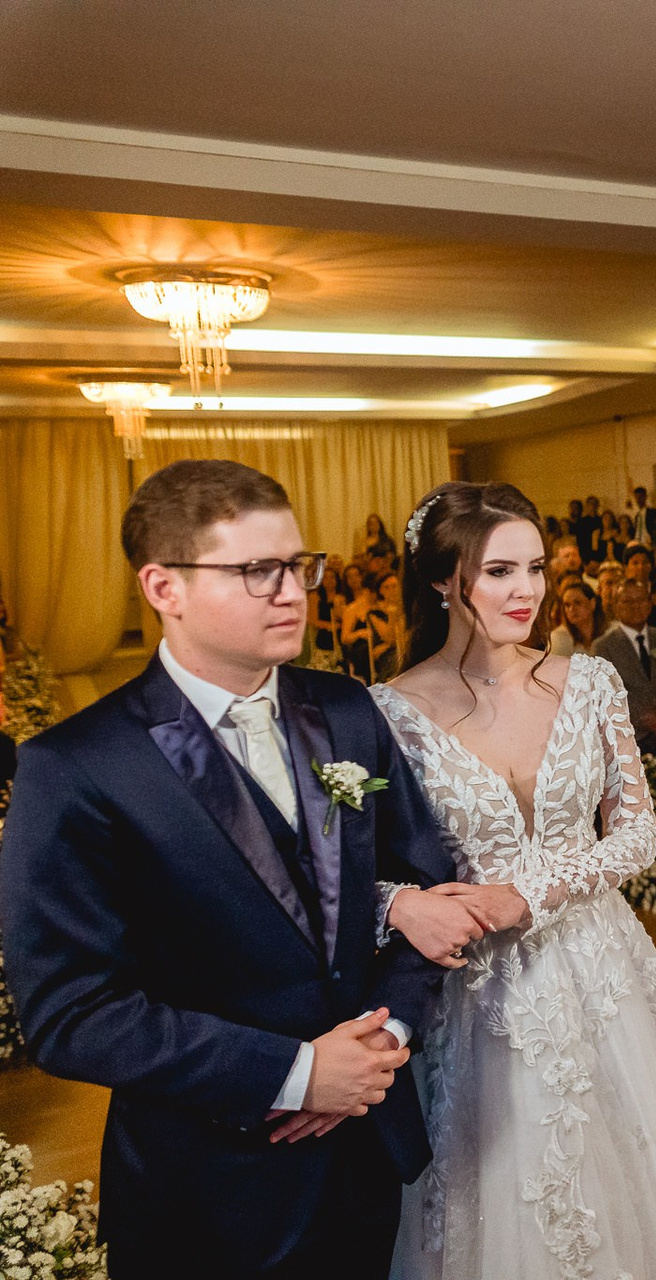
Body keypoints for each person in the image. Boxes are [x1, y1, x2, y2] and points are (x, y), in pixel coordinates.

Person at [0, 459, 452, 1278]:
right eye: (255, 571)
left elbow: (426, 888)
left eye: (298, 565)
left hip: (366, 1155)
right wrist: (296, 1074)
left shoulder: (347, 709)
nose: (292, 592)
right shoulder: (76, 766)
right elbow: (72, 1012)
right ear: (163, 587)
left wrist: (385, 1037)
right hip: (207, 1188)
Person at [370, 481, 656, 1279]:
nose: (527, 591)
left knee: (639, 1180)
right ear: (441, 580)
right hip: (478, 997)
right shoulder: (387, 713)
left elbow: (638, 833)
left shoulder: (589, 681)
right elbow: (353, 878)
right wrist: (403, 905)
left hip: (602, 969)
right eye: (499, 571)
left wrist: (531, 892)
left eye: (536, 568)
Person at [592, 579, 656, 754]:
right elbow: (605, 695)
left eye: (641, 600)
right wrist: (641, 718)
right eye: (627, 601)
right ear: (615, 606)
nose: (635, 606)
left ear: (650, 604)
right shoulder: (603, 647)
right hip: (628, 740)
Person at [547, 580, 602, 658]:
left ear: (592, 603)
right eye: (567, 605)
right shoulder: (558, 638)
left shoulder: (610, 632)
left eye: (577, 603)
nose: (572, 609)